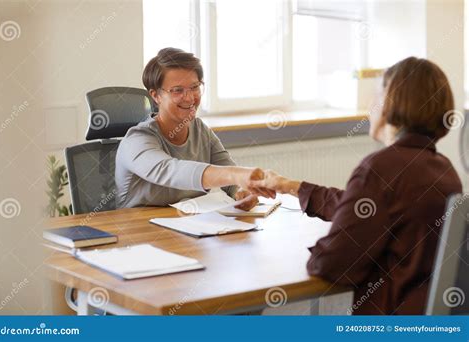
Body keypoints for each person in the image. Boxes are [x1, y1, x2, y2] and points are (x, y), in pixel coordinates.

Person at [251, 57, 462, 314]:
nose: (370, 105)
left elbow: (329, 265)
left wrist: (315, 246)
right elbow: (371, 208)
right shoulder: (444, 169)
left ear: (390, 104)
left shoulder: (380, 168)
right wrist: (293, 186)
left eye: (377, 95)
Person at [116, 48, 272, 209]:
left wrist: (242, 191)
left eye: (194, 87)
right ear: (156, 96)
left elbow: (230, 181)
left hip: (188, 225)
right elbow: (171, 171)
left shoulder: (200, 130)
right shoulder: (136, 140)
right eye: (177, 90)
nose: (190, 98)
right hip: (139, 230)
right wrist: (238, 174)